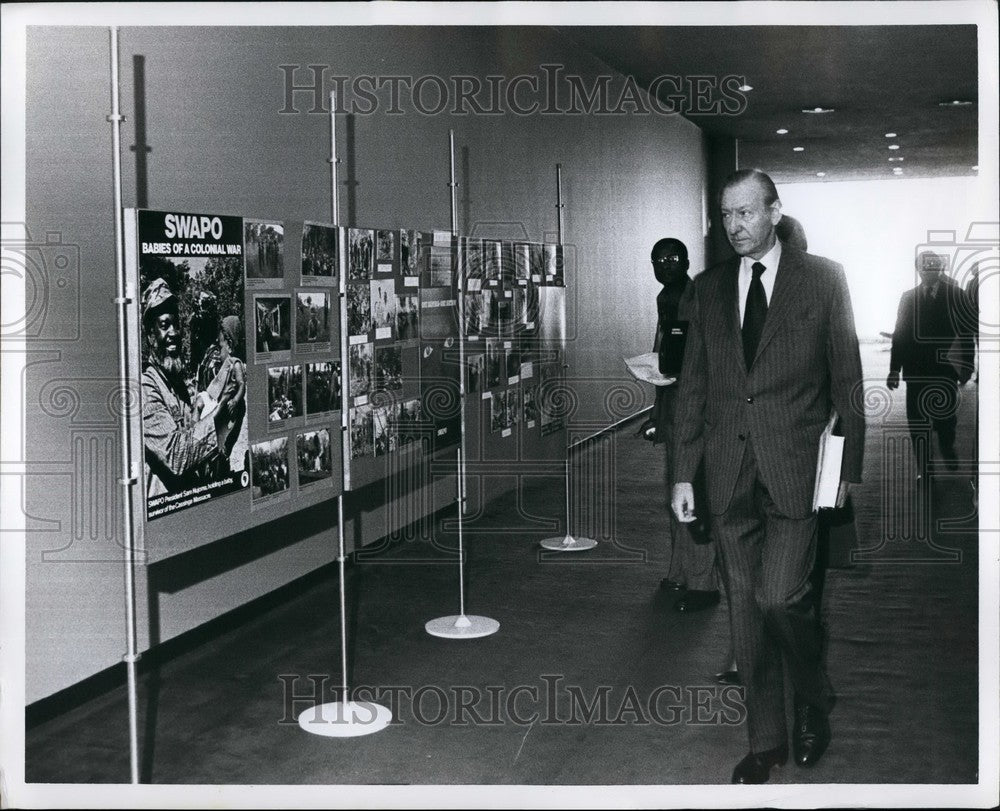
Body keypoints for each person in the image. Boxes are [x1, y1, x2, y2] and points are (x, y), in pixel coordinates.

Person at [671, 169, 865, 784]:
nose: (735, 226)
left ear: (775, 211)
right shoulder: (706, 290)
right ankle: (766, 740)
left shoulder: (822, 279)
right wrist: (682, 474)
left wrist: (845, 472)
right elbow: (694, 387)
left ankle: (812, 695)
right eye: (726, 216)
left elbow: (848, 379)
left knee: (780, 598)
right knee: (745, 617)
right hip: (727, 473)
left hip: (797, 472)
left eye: (747, 213)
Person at [647, 238, 720, 613]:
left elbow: (695, 357)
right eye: (658, 259)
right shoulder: (667, 297)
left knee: (692, 491)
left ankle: (703, 582)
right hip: (673, 403)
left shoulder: (693, 297)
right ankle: (680, 571)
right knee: (675, 492)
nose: (666, 264)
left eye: (673, 258)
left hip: (691, 407)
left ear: (687, 260)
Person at [141, 278, 244, 498]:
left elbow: (194, 437)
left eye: (176, 324)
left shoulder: (175, 383)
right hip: (165, 511)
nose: (174, 333)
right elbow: (177, 456)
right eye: (164, 325)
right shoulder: (146, 387)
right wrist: (219, 412)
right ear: (151, 336)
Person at [887, 251, 975, 479]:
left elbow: (966, 333)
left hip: (945, 370)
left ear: (940, 268)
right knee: (917, 423)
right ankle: (925, 469)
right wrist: (894, 369)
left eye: (933, 266)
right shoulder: (908, 298)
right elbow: (901, 334)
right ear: (918, 270)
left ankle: (947, 445)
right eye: (924, 267)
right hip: (915, 370)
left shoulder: (957, 295)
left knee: (946, 418)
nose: (929, 271)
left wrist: (967, 365)